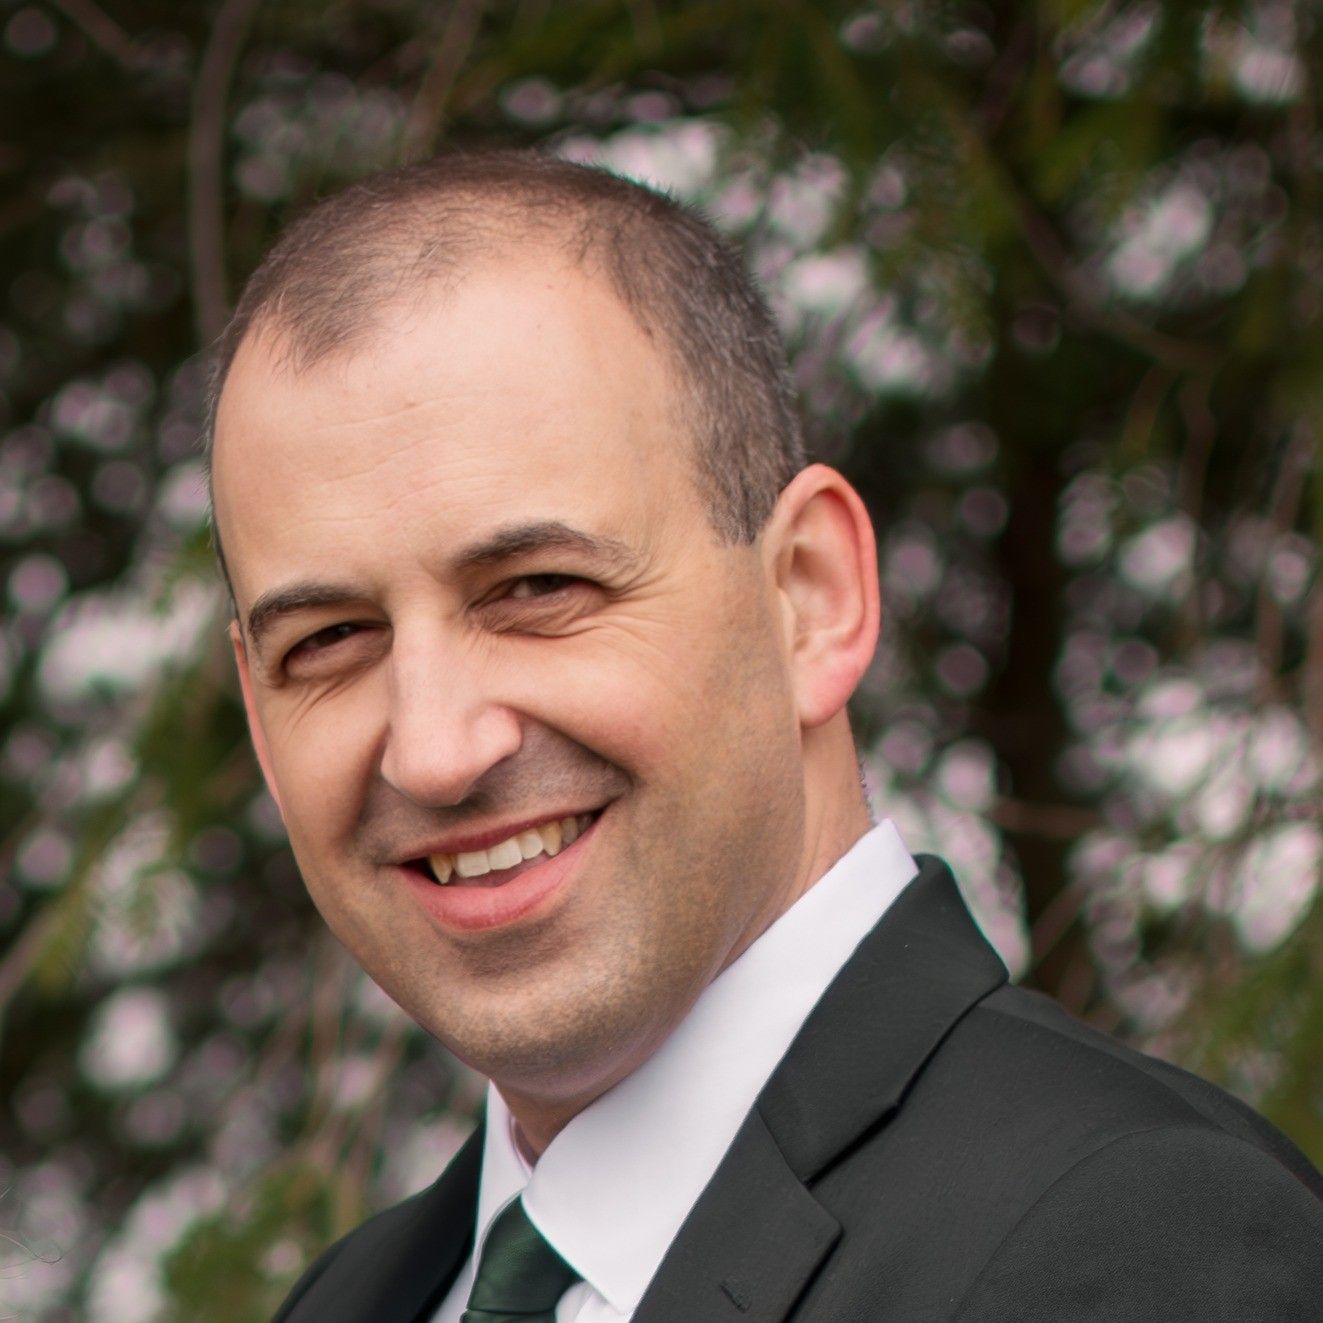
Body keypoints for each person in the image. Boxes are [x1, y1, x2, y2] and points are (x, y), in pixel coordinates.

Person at [206, 151, 1323, 1323]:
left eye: (537, 588)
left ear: (810, 596)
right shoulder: (355, 1300)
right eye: (328, 641)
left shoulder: (1142, 1247)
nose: (435, 749)